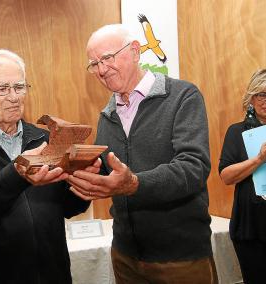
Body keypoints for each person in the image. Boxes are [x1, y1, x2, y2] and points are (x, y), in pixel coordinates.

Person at [67, 24, 218, 283]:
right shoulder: (107, 115)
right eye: (94, 64)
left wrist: (134, 183)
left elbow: (194, 168)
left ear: (135, 51)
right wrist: (80, 170)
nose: (101, 70)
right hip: (125, 256)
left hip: (179, 258)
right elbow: (108, 171)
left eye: (107, 58)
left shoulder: (183, 96)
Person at [0, 49, 92, 284]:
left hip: (53, 274)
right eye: (2, 89)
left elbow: (68, 208)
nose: (14, 97)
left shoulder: (45, 140)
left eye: (19, 87)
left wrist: (82, 183)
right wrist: (16, 173)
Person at [219, 69, 266, 284]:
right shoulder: (236, 132)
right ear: (252, 97)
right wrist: (259, 159)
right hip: (250, 227)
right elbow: (226, 176)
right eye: (261, 94)